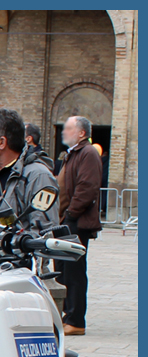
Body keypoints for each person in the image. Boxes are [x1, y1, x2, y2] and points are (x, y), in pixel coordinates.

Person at [0, 108, 58, 232]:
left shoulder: (38, 177)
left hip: (5, 252)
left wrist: (11, 246)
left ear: (2, 142)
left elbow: (44, 235)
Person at [57, 115, 102, 337]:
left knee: (74, 272)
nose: (64, 132)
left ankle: (75, 320)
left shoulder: (88, 153)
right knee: (62, 271)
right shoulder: (73, 154)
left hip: (75, 221)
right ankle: (66, 315)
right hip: (65, 221)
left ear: (81, 133)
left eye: (69, 128)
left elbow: (87, 186)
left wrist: (70, 214)